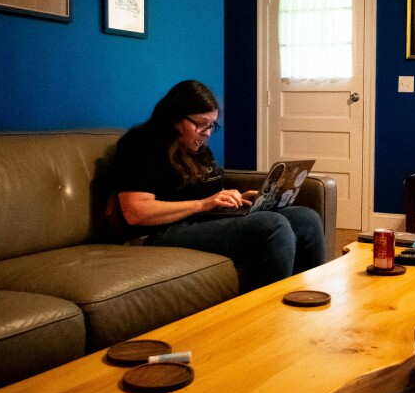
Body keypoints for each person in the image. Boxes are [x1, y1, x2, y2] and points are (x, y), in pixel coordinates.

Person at [112, 79, 325, 292]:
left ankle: (309, 299)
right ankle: (269, 316)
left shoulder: (195, 146)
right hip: (161, 232)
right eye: (200, 123)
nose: (207, 132)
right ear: (175, 117)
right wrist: (204, 204)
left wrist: (234, 198)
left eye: (211, 124)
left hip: (203, 219)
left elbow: (201, 192)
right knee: (273, 225)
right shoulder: (140, 144)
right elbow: (136, 211)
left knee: (306, 218)